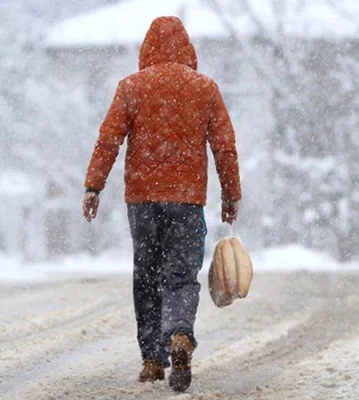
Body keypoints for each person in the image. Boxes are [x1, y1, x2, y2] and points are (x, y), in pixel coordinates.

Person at [82, 16, 241, 392]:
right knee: (182, 275)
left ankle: (153, 359)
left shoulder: (131, 87)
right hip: (187, 201)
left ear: (147, 49)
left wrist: (93, 186)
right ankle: (181, 334)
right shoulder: (205, 89)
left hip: (143, 199)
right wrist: (231, 194)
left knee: (147, 275)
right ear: (188, 49)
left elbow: (109, 140)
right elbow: (225, 146)